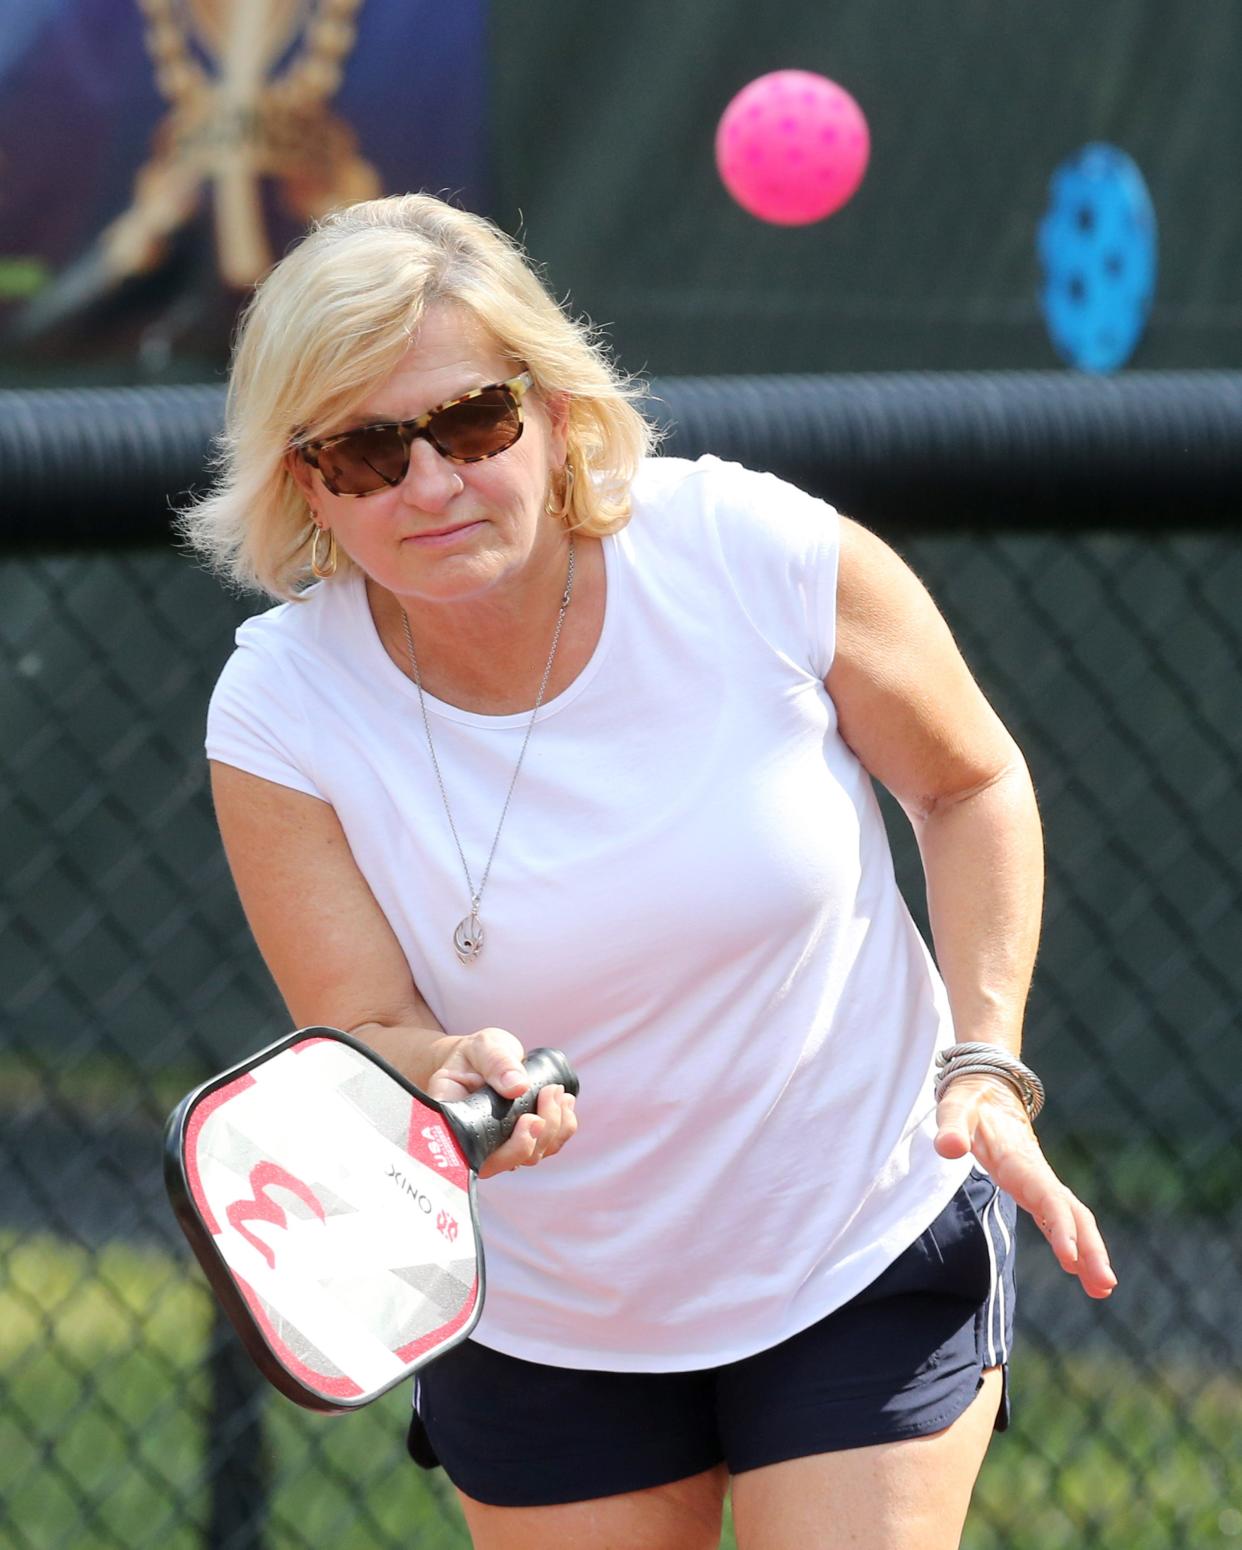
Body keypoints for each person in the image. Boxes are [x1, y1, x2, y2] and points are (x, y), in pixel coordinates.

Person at [181, 191, 1116, 1550]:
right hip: (543, 1307)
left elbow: (967, 782)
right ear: (304, 483)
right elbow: (363, 1023)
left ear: (556, 408)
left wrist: (981, 1063)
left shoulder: (754, 552)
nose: (431, 482)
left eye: (472, 421)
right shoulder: (278, 706)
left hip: (853, 1240)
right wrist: (445, 1072)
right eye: (368, 453)